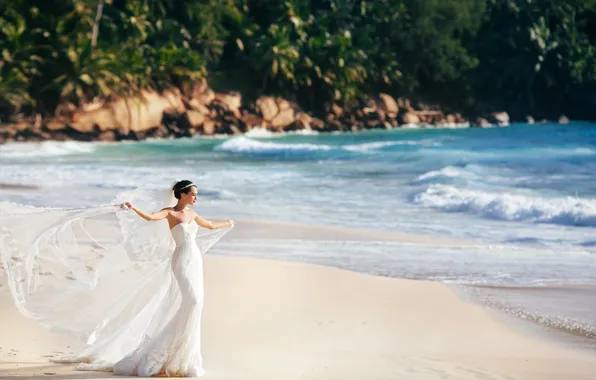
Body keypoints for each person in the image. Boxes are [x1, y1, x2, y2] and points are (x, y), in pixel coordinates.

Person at [0, 179, 235, 377]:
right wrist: (133, 208)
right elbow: (150, 219)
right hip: (181, 259)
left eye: (196, 195)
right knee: (191, 300)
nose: (196, 198)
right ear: (182, 195)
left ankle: (184, 356)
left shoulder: (193, 214)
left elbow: (211, 226)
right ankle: (163, 352)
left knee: (196, 303)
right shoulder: (170, 213)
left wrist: (229, 222)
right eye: (192, 195)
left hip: (195, 260)